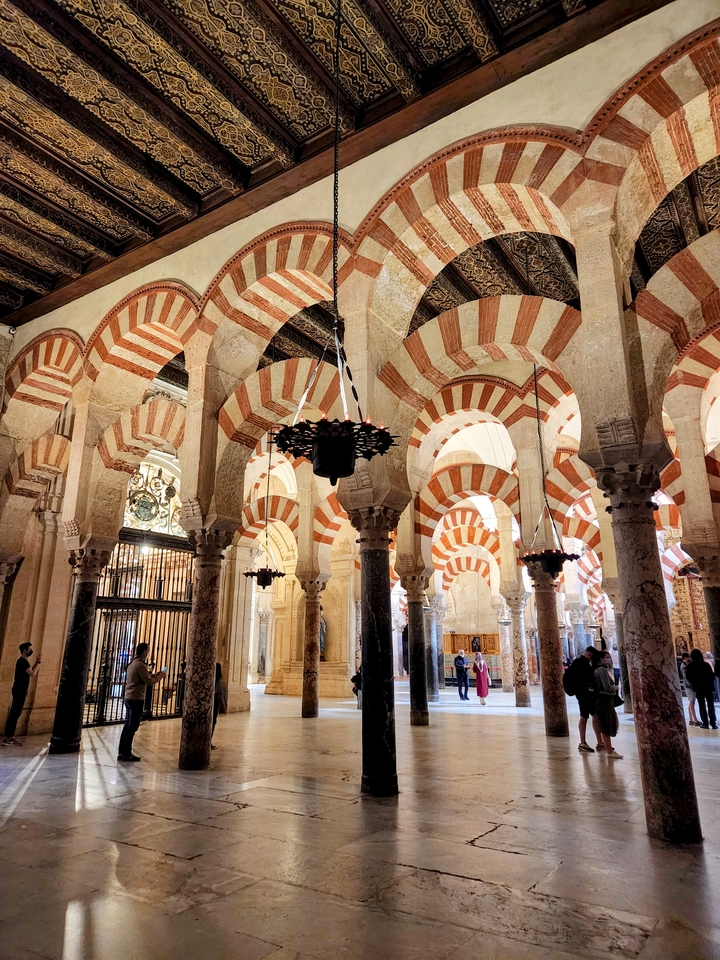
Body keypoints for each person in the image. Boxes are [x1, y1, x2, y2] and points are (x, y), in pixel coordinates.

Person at [117, 643, 166, 762]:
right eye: (148, 650)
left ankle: (122, 752)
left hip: (129, 697)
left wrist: (155, 674)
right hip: (136, 699)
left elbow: (143, 677)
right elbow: (148, 681)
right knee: (132, 726)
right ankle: (126, 754)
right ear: (144, 652)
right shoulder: (140, 665)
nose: (149, 652)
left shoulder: (133, 663)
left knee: (127, 726)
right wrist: (161, 676)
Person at [566, 645, 603, 753]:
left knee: (593, 716)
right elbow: (583, 680)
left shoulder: (581, 662)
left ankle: (599, 742)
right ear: (589, 654)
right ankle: (583, 742)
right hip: (583, 694)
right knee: (584, 716)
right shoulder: (581, 663)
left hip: (584, 694)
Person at [3, 643, 41, 745]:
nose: (31, 651)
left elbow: (29, 671)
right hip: (19, 690)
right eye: (30, 649)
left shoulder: (24, 662)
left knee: (15, 713)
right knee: (15, 713)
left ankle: (10, 736)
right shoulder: (22, 662)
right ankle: (9, 737)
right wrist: (38, 662)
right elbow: (33, 673)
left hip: (20, 689)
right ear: (25, 650)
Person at [594, 650, 623, 758]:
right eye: (607, 657)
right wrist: (614, 688)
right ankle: (610, 751)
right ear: (601, 659)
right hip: (604, 700)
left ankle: (609, 749)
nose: (609, 659)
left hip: (602, 699)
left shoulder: (599, 669)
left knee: (605, 724)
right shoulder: (601, 670)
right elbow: (607, 687)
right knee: (606, 724)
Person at [685, 648, 717, 729]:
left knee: (701, 705)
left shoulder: (690, 666)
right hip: (708, 687)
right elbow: (711, 676)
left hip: (698, 688)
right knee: (710, 705)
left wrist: (695, 683)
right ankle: (713, 723)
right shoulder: (705, 665)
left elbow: (688, 677)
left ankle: (705, 723)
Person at [680, 652, 700, 726]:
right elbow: (687, 676)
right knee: (692, 701)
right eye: (688, 657)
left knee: (692, 702)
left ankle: (691, 719)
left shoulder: (687, 664)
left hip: (691, 686)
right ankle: (695, 720)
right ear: (685, 658)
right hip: (689, 686)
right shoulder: (683, 666)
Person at [211, 662, 227, 749]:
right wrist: (224, 707)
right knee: (212, 722)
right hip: (215, 704)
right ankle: (208, 742)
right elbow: (220, 695)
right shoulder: (220, 682)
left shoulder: (209, 680)